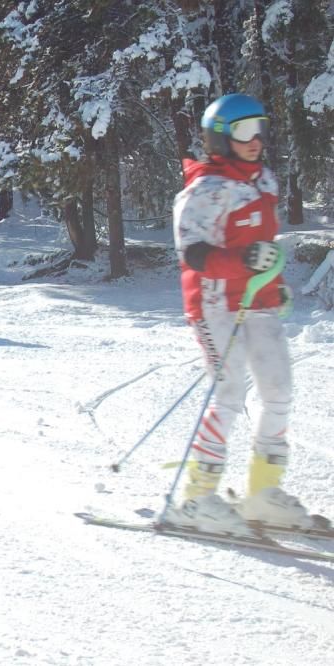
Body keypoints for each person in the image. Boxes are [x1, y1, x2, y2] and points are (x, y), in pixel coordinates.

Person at [170, 92, 314, 535]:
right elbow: (192, 253)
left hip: (259, 303)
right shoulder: (205, 190)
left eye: (261, 129)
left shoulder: (263, 182)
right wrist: (242, 262)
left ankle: (263, 492)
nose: (256, 140)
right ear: (220, 138)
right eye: (244, 131)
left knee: (279, 391)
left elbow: (264, 249)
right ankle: (197, 497)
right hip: (215, 305)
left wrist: (276, 282)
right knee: (229, 392)